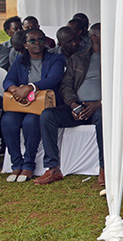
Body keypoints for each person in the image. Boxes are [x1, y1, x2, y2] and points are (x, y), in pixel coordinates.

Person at [35, 23, 104, 187]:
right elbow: (66, 86)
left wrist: (100, 103)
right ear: (94, 37)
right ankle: (53, 168)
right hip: (78, 107)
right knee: (48, 115)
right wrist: (73, 105)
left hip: (100, 107)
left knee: (104, 117)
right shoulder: (78, 58)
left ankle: (105, 168)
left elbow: (121, 87)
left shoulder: (116, 59)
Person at [0, 29, 66, 182]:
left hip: (40, 103)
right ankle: (16, 164)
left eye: (41, 39)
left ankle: (28, 165)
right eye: (32, 41)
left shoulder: (55, 59)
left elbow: (53, 79)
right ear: (25, 44)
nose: (37, 43)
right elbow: (8, 80)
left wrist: (30, 87)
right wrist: (15, 90)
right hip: (21, 103)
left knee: (31, 121)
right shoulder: (20, 60)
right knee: (7, 120)